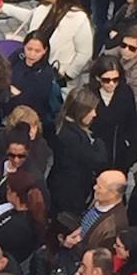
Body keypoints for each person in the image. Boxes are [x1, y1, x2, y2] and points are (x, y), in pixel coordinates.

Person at [49, 87, 108, 217]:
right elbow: (98, 161)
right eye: (90, 110)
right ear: (80, 111)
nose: (94, 114)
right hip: (69, 194)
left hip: (68, 189)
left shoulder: (67, 128)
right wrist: (99, 143)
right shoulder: (70, 137)